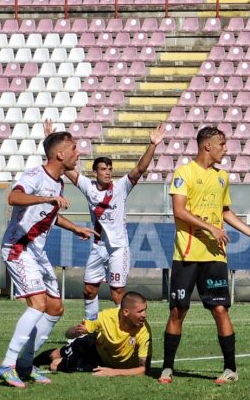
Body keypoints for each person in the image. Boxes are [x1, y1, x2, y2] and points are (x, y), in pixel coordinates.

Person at [159, 126, 250, 385]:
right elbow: (179, 210)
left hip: (214, 256)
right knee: (178, 310)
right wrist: (210, 227)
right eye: (221, 144)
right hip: (187, 254)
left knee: (220, 309)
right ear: (206, 146)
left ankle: (230, 369)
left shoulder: (223, 177)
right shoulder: (184, 173)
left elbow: (225, 211)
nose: (225, 149)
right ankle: (167, 368)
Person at [0, 130, 96, 389]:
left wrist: (75, 228)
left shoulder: (58, 183)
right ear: (60, 154)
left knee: (55, 308)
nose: (78, 153)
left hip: (37, 253)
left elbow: (48, 214)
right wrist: (46, 197)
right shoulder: (35, 175)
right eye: (74, 148)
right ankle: (8, 364)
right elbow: (14, 197)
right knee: (38, 304)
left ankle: (26, 364)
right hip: (18, 247)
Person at [47, 120, 164, 321]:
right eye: (103, 169)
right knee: (89, 290)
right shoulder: (88, 186)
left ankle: (123, 328)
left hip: (118, 248)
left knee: (117, 294)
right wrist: (50, 139)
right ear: (96, 172)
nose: (108, 172)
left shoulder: (120, 187)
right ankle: (90, 327)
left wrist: (152, 145)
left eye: (110, 168)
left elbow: (139, 169)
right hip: (98, 247)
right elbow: (64, 167)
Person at [35, 291, 151, 377]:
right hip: (94, 345)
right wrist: (76, 331)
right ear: (126, 312)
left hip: (100, 361)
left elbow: (143, 370)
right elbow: (68, 334)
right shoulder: (105, 316)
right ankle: (30, 364)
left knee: (55, 365)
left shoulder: (144, 331)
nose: (145, 315)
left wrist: (113, 372)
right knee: (56, 354)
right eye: (140, 311)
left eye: (145, 310)